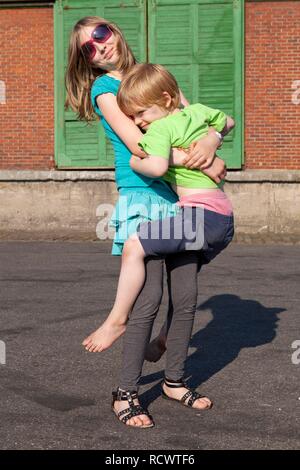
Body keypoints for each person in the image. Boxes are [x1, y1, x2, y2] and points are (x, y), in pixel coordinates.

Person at [65, 17, 233, 428]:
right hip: (146, 199)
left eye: (101, 35)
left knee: (187, 296)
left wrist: (211, 142)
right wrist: (207, 162)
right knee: (148, 299)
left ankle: (174, 380)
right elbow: (142, 145)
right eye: (87, 48)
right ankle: (125, 392)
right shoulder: (106, 90)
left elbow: (194, 121)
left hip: (182, 201)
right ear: (85, 60)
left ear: (116, 32)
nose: (98, 48)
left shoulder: (152, 78)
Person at [85, 62, 234, 352]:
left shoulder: (159, 129)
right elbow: (228, 121)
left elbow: (155, 166)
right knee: (182, 285)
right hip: (221, 219)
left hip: (201, 218)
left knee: (134, 245)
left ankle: (117, 319)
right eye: (133, 116)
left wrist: (132, 161)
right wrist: (212, 140)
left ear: (165, 100)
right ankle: (166, 336)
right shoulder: (196, 112)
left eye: (141, 113)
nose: (139, 121)